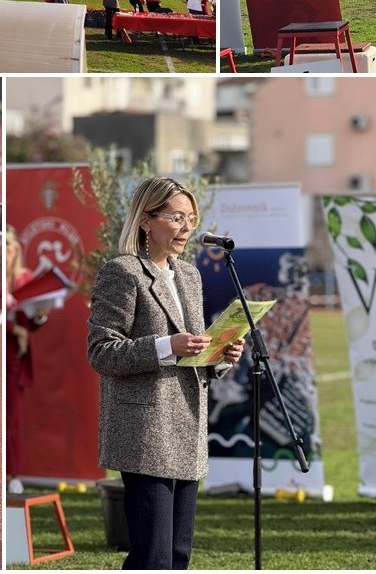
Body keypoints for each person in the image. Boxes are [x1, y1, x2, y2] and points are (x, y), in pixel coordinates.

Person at [87, 177, 244, 569]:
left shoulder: (189, 276)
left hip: (187, 429)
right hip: (145, 432)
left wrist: (223, 354)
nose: (187, 227)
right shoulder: (123, 273)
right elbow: (101, 352)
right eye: (176, 217)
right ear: (146, 220)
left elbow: (196, 350)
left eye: (191, 218)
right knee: (152, 556)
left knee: (177, 555)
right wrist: (166, 347)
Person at [4, 224, 46, 494]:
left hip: (15, 360)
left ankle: (12, 474)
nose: (5, 250)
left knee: (13, 419)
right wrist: (13, 330)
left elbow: (32, 323)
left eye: (9, 245)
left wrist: (40, 315)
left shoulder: (24, 279)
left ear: (17, 248)